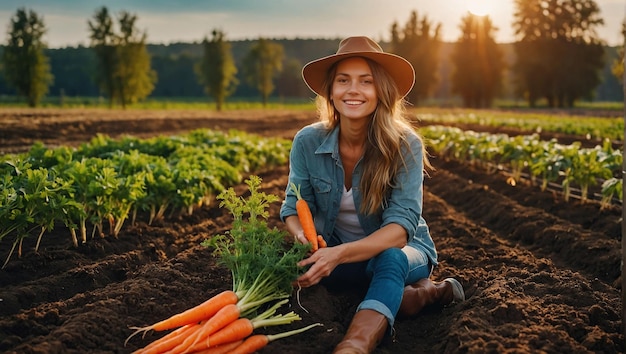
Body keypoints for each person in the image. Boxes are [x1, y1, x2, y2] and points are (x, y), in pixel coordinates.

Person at [280, 36, 465, 354]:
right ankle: (410, 297)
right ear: (331, 90)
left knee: (390, 261)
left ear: (382, 90)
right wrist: (303, 239)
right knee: (391, 296)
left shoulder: (405, 146)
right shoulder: (307, 141)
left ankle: (356, 345)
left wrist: (338, 255)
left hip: (404, 252)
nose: (353, 90)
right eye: (343, 80)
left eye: (366, 81)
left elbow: (399, 232)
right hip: (338, 254)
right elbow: (293, 206)